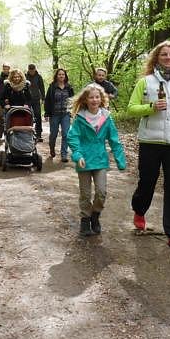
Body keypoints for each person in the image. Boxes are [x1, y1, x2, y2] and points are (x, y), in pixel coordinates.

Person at [127, 41, 170, 253]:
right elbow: (131, 108)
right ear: (157, 58)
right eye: (164, 54)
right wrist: (151, 107)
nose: (168, 57)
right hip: (150, 141)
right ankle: (139, 210)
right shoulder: (145, 82)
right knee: (147, 182)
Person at [67, 84, 127, 236]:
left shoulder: (106, 118)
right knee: (85, 194)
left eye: (97, 97)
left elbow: (114, 140)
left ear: (101, 99)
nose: (94, 100)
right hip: (84, 160)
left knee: (101, 192)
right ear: (85, 100)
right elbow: (73, 137)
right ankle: (85, 220)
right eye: (91, 97)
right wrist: (78, 155)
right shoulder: (80, 118)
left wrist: (120, 160)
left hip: (100, 160)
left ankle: (95, 215)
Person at [44, 68, 74, 162]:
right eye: (59, 74)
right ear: (56, 76)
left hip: (65, 114)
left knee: (66, 134)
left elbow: (72, 100)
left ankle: (64, 154)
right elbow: (47, 100)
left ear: (65, 76)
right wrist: (46, 113)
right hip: (54, 114)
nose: (61, 76)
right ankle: (52, 149)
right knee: (53, 134)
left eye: (63, 74)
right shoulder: (52, 87)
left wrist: (72, 111)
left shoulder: (69, 87)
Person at [26, 63, 46, 141]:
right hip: (27, 100)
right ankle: (27, 132)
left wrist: (43, 98)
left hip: (36, 99)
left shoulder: (38, 77)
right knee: (26, 115)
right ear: (28, 70)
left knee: (38, 115)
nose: (31, 72)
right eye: (30, 70)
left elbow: (42, 88)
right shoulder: (25, 76)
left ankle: (39, 133)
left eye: (33, 70)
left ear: (35, 69)